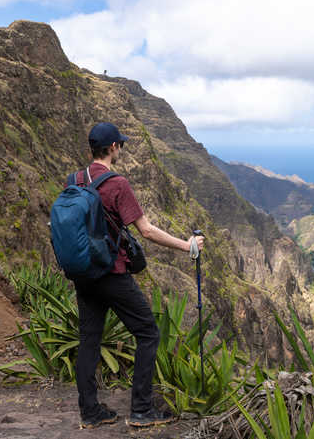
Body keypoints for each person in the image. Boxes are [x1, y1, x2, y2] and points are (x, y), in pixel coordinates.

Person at [72, 122, 205, 428]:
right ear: (114, 148)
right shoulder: (117, 183)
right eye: (121, 145)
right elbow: (146, 231)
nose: (121, 148)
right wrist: (187, 246)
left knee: (89, 340)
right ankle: (142, 410)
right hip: (112, 273)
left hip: (83, 273)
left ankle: (90, 412)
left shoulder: (77, 180)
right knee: (148, 333)